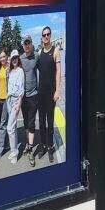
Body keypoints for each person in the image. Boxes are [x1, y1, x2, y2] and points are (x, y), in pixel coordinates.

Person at [35, 25, 61, 164]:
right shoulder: (39, 52)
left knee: (50, 122)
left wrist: (57, 91)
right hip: (41, 93)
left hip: (51, 93)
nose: (46, 37)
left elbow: (58, 72)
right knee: (41, 121)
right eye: (44, 35)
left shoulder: (55, 51)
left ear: (50, 35)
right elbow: (35, 68)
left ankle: (51, 147)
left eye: (48, 34)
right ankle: (43, 146)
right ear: (42, 37)